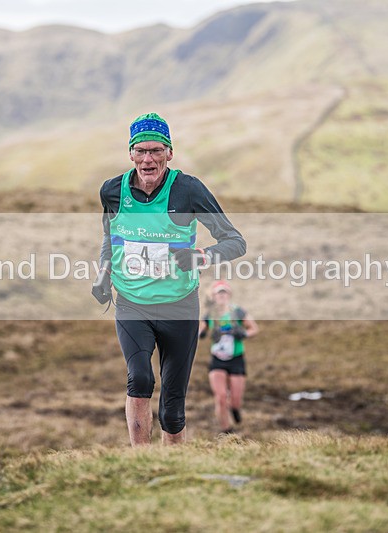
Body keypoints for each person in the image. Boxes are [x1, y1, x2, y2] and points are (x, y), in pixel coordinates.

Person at [93, 112, 246, 446]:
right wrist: (104, 272)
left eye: (157, 151)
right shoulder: (111, 192)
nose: (148, 159)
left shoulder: (188, 190)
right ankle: (141, 464)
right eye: (142, 151)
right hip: (133, 304)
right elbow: (110, 237)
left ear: (169, 153)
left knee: (173, 405)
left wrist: (201, 256)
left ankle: (173, 469)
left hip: (180, 306)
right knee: (140, 378)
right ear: (130, 153)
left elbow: (236, 242)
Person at [199, 280, 258, 434]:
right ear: (213, 296)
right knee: (220, 397)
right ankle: (226, 431)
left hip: (236, 358)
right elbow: (199, 330)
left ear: (229, 295)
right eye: (219, 292)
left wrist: (243, 333)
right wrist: (203, 333)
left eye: (224, 292)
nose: (222, 295)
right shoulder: (210, 314)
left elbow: (254, 329)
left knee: (235, 400)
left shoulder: (238, 312)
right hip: (217, 359)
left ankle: (235, 409)